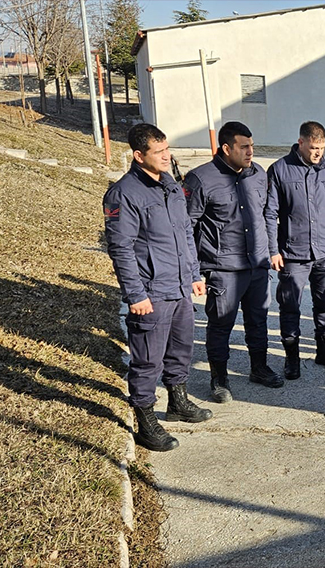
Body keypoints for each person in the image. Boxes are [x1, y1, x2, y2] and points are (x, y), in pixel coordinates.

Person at [104, 123, 212, 452]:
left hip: (179, 286)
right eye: (159, 152)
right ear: (139, 156)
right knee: (148, 359)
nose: (167, 157)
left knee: (181, 350)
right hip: (151, 291)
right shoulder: (123, 194)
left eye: (168, 150)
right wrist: (136, 295)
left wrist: (194, 273)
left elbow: (184, 234)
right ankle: (145, 420)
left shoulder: (169, 184)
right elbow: (121, 249)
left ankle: (178, 402)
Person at [185, 121, 282, 403]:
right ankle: (219, 378)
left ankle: (259, 368)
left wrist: (271, 251)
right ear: (226, 148)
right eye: (244, 147)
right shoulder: (200, 179)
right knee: (220, 325)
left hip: (257, 265)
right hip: (223, 269)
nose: (251, 151)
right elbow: (186, 228)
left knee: (258, 321)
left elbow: (267, 217)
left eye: (252, 146)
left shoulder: (257, 175)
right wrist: (193, 271)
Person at [264, 121, 325, 379]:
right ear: (300, 143)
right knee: (290, 306)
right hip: (293, 253)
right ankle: (292, 358)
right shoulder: (279, 170)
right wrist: (273, 250)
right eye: (313, 147)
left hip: (324, 251)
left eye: (321, 148)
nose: (317, 153)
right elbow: (270, 213)